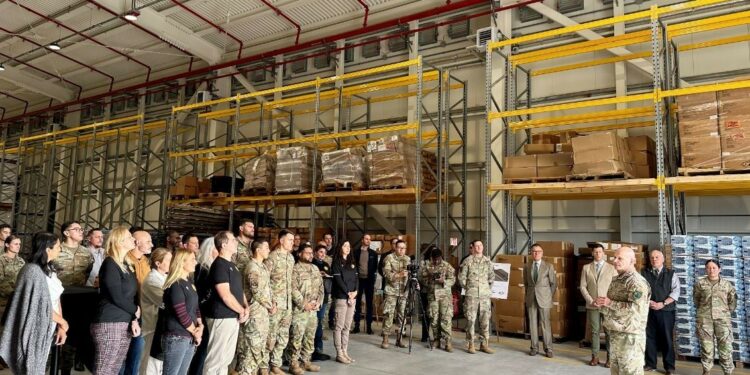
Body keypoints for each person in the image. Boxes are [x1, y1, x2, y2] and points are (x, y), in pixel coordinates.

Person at [0, 232, 66, 374]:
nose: (61, 249)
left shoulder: (50, 269)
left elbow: (55, 299)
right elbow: (40, 306)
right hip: (34, 327)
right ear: (48, 249)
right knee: (31, 369)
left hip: (49, 325)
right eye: (58, 246)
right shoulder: (32, 271)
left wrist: (60, 324)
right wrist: (63, 321)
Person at [91, 226, 142, 375]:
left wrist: (133, 318)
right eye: (129, 238)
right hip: (110, 322)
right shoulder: (110, 264)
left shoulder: (126, 264)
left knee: (114, 369)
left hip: (123, 322)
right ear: (120, 242)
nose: (134, 240)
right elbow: (116, 296)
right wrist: (135, 310)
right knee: (104, 370)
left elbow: (131, 295)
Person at [594, 247, 650, 375]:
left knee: (630, 372)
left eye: (620, 258)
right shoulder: (618, 279)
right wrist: (602, 305)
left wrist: (610, 303)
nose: (615, 261)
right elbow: (613, 306)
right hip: (615, 334)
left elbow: (636, 309)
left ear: (632, 261)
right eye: (614, 257)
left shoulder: (636, 282)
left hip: (630, 337)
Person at [203, 231, 248, 375]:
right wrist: (241, 310)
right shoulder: (219, 265)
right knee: (215, 360)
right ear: (224, 245)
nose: (236, 242)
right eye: (233, 240)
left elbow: (238, 290)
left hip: (232, 316)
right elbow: (225, 295)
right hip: (221, 317)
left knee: (226, 360)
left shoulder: (231, 265)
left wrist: (246, 307)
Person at [58, 221, 94, 375]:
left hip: (78, 298)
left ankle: (67, 366)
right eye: (77, 229)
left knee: (74, 334)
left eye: (82, 229)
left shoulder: (87, 253)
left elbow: (87, 273)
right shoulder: (56, 250)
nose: (81, 232)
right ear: (66, 233)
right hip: (59, 297)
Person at [236, 239, 274, 375]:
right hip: (255, 313)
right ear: (258, 250)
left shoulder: (262, 266)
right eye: (266, 247)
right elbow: (255, 291)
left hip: (263, 313)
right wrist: (270, 306)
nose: (268, 250)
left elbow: (268, 289)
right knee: (251, 348)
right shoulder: (252, 267)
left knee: (259, 348)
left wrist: (272, 303)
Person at [162, 249, 203, 375]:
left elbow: (196, 308)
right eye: (192, 259)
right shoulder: (175, 284)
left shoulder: (189, 284)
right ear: (182, 262)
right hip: (177, 336)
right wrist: (195, 332)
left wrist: (200, 326)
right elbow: (181, 312)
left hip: (189, 336)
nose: (195, 262)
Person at [694, 259, 737, 375]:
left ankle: (728, 372)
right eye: (708, 268)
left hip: (723, 321)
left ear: (719, 269)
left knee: (725, 349)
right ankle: (706, 371)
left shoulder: (727, 285)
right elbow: (696, 300)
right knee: (706, 348)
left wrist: (724, 312)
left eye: (714, 267)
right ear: (705, 269)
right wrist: (704, 312)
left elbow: (732, 302)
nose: (711, 270)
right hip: (705, 320)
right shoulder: (700, 284)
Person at [641, 249, 680, 374]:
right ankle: (650, 364)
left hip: (666, 311)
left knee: (667, 339)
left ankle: (669, 367)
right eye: (652, 257)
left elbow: (676, 292)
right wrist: (649, 302)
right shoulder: (644, 273)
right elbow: (640, 290)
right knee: (649, 337)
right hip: (649, 311)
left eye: (657, 257)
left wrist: (662, 304)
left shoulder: (671, 274)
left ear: (663, 259)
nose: (654, 259)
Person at [121, 229, 153, 375]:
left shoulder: (146, 262)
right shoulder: (124, 261)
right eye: (148, 241)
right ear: (137, 242)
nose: (151, 245)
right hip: (128, 312)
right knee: (122, 356)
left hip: (143, 314)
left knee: (137, 355)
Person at [288, 244, 324, 375]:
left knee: (310, 337)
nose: (310, 255)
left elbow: (321, 287)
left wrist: (319, 302)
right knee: (296, 337)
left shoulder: (315, 268)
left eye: (311, 253)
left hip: (313, 311)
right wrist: (304, 304)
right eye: (307, 253)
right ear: (300, 254)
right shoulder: (295, 269)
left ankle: (306, 361)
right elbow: (292, 289)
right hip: (300, 311)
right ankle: (293, 363)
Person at [579, 244, 616, 366]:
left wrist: (608, 300)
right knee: (594, 332)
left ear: (603, 253)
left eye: (600, 252)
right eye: (595, 252)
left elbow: (615, 287)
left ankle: (610, 358)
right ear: (592, 253)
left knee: (609, 332)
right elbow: (583, 286)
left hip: (607, 305)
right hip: (593, 305)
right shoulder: (586, 268)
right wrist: (591, 300)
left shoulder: (611, 268)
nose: (598, 254)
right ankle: (595, 357)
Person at [264, 229, 295, 374]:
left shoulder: (291, 258)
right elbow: (265, 280)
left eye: (293, 240)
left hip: (287, 305)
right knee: (270, 337)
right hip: (275, 305)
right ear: (282, 240)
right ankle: (263, 366)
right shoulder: (272, 257)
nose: (292, 243)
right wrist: (270, 301)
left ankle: (275, 365)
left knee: (283, 337)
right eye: (290, 240)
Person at [458, 240, 494, 354]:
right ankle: (471, 344)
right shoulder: (467, 261)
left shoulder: (488, 262)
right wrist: (469, 287)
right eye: (476, 246)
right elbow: (461, 278)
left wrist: (486, 288)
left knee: (485, 320)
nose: (479, 247)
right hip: (472, 295)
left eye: (481, 245)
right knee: (470, 320)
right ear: (472, 247)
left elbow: (492, 277)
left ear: (483, 247)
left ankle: (484, 344)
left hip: (484, 296)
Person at [140, 248, 172, 375]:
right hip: (152, 328)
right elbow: (167, 302)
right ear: (158, 264)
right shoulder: (152, 280)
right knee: (151, 367)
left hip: (162, 328)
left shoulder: (164, 277)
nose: (172, 263)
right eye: (169, 260)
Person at [188, 237, 217, 375]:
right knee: (201, 349)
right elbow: (201, 295)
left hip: (207, 312)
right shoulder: (202, 268)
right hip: (202, 313)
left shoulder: (210, 267)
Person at [419, 247, 455, 352]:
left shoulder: (447, 266)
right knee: (434, 318)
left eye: (438, 259)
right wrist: (430, 279)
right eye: (434, 259)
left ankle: (448, 341)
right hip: (432, 295)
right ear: (431, 258)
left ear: (441, 257)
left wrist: (444, 281)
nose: (436, 261)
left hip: (444, 295)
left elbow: (453, 279)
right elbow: (422, 279)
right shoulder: (427, 266)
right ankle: (436, 339)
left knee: (446, 318)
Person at [524, 243, 557, 358]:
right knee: (532, 324)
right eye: (533, 251)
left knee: (545, 324)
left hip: (544, 299)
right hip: (531, 298)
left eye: (538, 251)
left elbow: (553, 284)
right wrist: (528, 295)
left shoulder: (548, 266)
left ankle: (548, 348)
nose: (536, 253)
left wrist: (548, 296)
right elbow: (526, 283)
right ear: (531, 253)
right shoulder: (527, 266)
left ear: (542, 253)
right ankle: (534, 347)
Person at [331, 240, 358, 364]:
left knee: (347, 327)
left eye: (349, 245)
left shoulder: (352, 262)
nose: (347, 248)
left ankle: (345, 351)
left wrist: (355, 292)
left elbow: (356, 279)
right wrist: (348, 292)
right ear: (340, 247)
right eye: (345, 245)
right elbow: (338, 280)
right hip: (342, 297)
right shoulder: (336, 262)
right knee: (339, 326)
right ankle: (339, 353)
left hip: (352, 298)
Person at [381, 239, 410, 349]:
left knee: (402, 316)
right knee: (389, 314)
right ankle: (385, 338)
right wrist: (400, 274)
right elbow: (387, 274)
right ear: (395, 248)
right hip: (391, 291)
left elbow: (410, 274)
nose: (402, 250)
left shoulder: (407, 259)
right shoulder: (389, 258)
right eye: (400, 247)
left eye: (404, 248)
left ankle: (399, 339)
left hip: (403, 292)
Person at [353, 234, 378, 334]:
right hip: (358, 281)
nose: (368, 241)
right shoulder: (356, 252)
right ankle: (357, 326)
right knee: (357, 304)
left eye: (369, 239)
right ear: (362, 240)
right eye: (366, 239)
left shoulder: (373, 253)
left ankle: (369, 327)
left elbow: (375, 267)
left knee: (369, 304)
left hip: (369, 281)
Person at [312, 245, 333, 361]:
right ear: (315, 253)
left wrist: (326, 276)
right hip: (312, 298)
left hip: (323, 297)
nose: (322, 254)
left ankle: (319, 348)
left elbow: (330, 278)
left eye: (324, 253)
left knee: (319, 322)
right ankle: (309, 349)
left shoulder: (326, 265)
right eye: (320, 252)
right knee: (312, 323)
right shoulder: (311, 264)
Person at [0, 235, 24, 325]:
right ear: (7, 245)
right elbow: (1, 281)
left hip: (18, 302)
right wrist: (14, 293)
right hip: (4, 302)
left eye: (19, 244)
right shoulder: (1, 260)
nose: (18, 246)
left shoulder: (21, 261)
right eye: (15, 244)